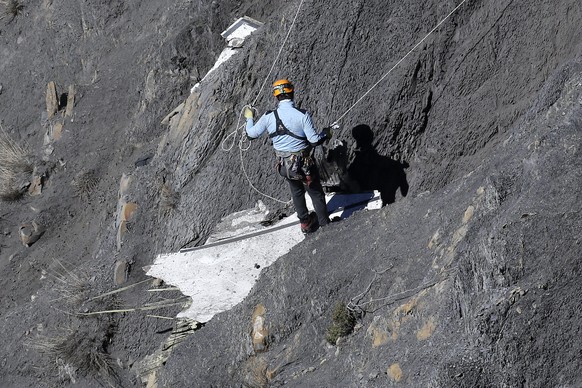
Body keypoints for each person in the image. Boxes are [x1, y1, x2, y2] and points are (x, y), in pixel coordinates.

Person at [245, 79, 333, 233]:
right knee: (315, 191)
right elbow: (314, 141)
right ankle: (325, 224)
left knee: (296, 190)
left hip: (285, 166)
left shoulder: (268, 116)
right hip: (304, 165)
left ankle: (305, 222)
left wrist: (249, 117)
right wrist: (326, 133)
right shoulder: (302, 115)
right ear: (292, 92)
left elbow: (251, 134)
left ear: (276, 96)